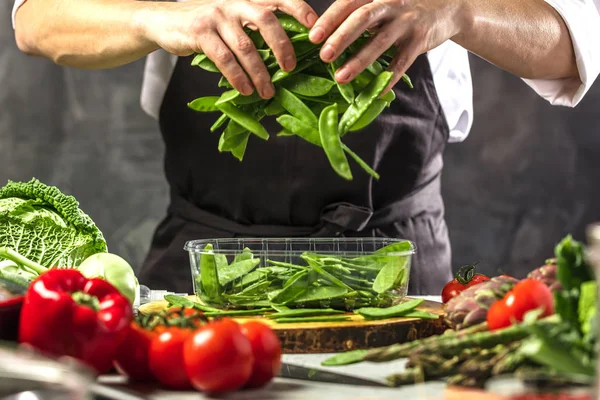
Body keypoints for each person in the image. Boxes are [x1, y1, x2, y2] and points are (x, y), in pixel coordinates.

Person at [11, 0, 600, 295]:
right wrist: (155, 18)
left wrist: (458, 12)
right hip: (206, 279)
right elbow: (36, 19)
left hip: (392, 280)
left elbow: (577, 40)